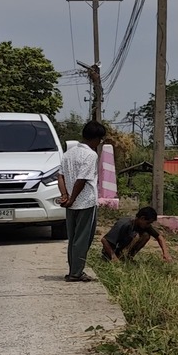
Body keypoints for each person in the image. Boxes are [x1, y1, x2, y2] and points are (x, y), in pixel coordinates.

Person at [58, 120, 106, 281]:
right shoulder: (91, 155)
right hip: (85, 202)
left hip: (70, 204)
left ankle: (73, 269)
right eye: (100, 139)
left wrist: (64, 195)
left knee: (73, 238)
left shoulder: (68, 154)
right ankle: (76, 272)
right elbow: (82, 180)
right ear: (96, 138)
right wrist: (72, 198)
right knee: (83, 239)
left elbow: (60, 176)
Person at [101, 205, 171, 264]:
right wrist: (113, 257)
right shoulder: (124, 224)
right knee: (136, 236)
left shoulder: (143, 225)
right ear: (142, 218)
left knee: (146, 235)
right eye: (148, 223)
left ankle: (127, 258)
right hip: (111, 252)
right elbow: (104, 240)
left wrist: (165, 253)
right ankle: (120, 258)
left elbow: (159, 237)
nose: (148, 225)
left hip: (123, 249)